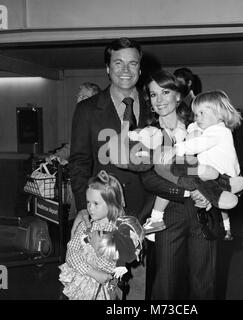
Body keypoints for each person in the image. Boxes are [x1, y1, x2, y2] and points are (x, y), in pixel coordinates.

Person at [68, 37, 151, 299]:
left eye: (132, 63)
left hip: (148, 211)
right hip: (103, 214)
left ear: (140, 68)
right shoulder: (87, 110)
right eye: (118, 63)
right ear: (107, 68)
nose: (125, 70)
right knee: (104, 284)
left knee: (140, 283)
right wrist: (84, 206)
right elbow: (80, 161)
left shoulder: (157, 106)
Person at [139, 69, 217, 299]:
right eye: (153, 95)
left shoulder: (200, 125)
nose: (160, 100)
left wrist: (210, 194)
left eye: (165, 92)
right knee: (166, 285)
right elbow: (148, 178)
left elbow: (219, 165)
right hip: (167, 217)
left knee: (204, 284)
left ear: (178, 95)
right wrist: (189, 190)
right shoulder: (148, 133)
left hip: (203, 213)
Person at [144, 90, 243, 240]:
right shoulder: (206, 128)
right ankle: (158, 217)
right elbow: (194, 130)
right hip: (206, 181)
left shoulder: (219, 132)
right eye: (196, 114)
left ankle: (215, 198)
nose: (197, 117)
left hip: (217, 178)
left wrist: (176, 149)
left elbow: (199, 144)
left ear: (220, 113)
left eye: (202, 113)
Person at [59, 170, 126, 300]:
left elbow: (113, 267)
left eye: (96, 203)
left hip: (104, 291)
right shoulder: (85, 225)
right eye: (88, 202)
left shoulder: (117, 232)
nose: (90, 208)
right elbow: (71, 253)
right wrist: (93, 273)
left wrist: (98, 248)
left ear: (111, 204)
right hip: (81, 287)